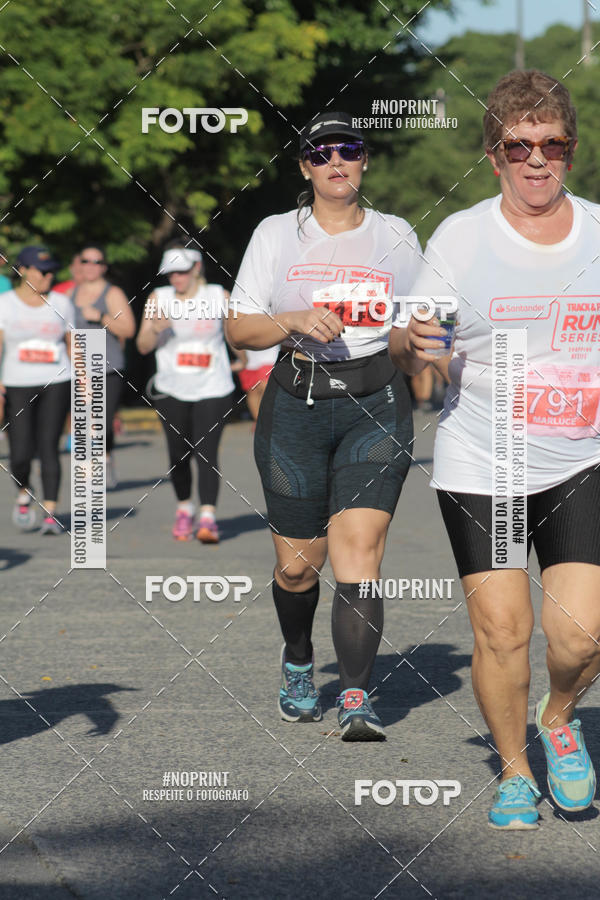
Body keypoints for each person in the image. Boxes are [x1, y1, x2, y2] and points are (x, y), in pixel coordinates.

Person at [390, 69, 600, 827]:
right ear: (494, 155)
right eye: (520, 146)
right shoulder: (462, 237)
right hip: (486, 462)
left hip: (582, 457)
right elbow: (408, 348)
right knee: (503, 632)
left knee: (579, 636)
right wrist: (412, 343)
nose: (537, 159)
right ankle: (514, 770)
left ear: (570, 152)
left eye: (554, 144)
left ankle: (558, 717)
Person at [227, 112, 420, 741]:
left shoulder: (397, 235)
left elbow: (410, 330)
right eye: (321, 152)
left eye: (350, 150)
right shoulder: (277, 234)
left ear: (365, 161)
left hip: (375, 403)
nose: (336, 161)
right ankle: (300, 660)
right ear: (304, 165)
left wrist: (420, 340)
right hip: (297, 405)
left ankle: (358, 696)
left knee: (360, 551)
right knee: (298, 568)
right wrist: (294, 319)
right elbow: (239, 328)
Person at [137, 246, 243, 543]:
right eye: (171, 273)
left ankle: (208, 517)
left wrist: (244, 360)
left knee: (206, 453)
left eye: (181, 271)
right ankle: (185, 508)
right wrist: (156, 329)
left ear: (196, 268)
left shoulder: (218, 295)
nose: (176, 278)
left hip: (214, 386)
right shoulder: (160, 299)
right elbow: (143, 346)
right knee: (178, 454)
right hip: (172, 388)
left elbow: (236, 333)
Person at [0, 246, 74, 534]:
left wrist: (84, 382)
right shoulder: (5, 304)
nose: (48, 276)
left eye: (52, 271)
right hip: (18, 381)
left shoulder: (62, 302)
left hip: (56, 380)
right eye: (42, 271)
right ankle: (23, 493)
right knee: (19, 452)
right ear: (23, 271)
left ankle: (51, 511)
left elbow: (73, 344)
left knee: (48, 447)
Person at [70, 244, 135, 489]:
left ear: (104, 267)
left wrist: (100, 318)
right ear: (79, 264)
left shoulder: (112, 293)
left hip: (109, 367)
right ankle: (92, 465)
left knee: (102, 422)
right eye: (86, 261)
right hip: (79, 369)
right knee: (86, 420)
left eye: (96, 262)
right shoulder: (70, 295)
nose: (90, 266)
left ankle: (106, 458)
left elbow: (128, 329)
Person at [237, 345, 278, 421]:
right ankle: (259, 422)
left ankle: (268, 422)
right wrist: (242, 359)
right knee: (252, 392)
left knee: (267, 390)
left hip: (270, 358)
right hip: (248, 361)